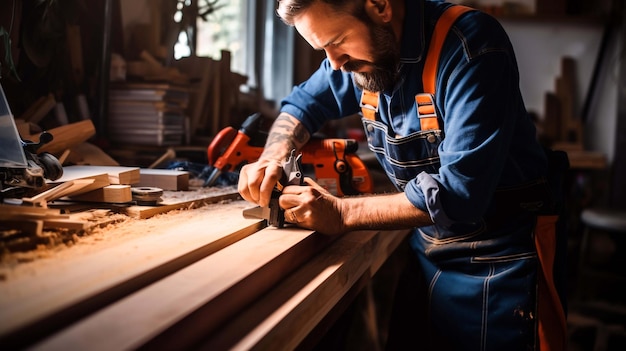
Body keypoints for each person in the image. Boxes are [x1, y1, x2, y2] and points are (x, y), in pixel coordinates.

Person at [238, 0, 568, 350]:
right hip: (427, 248)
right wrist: (272, 156)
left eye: (336, 41)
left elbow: (459, 195)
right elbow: (303, 104)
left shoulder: (471, 44)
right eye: (322, 49)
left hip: (503, 261)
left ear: (380, 6)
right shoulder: (359, 58)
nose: (333, 64)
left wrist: (340, 212)